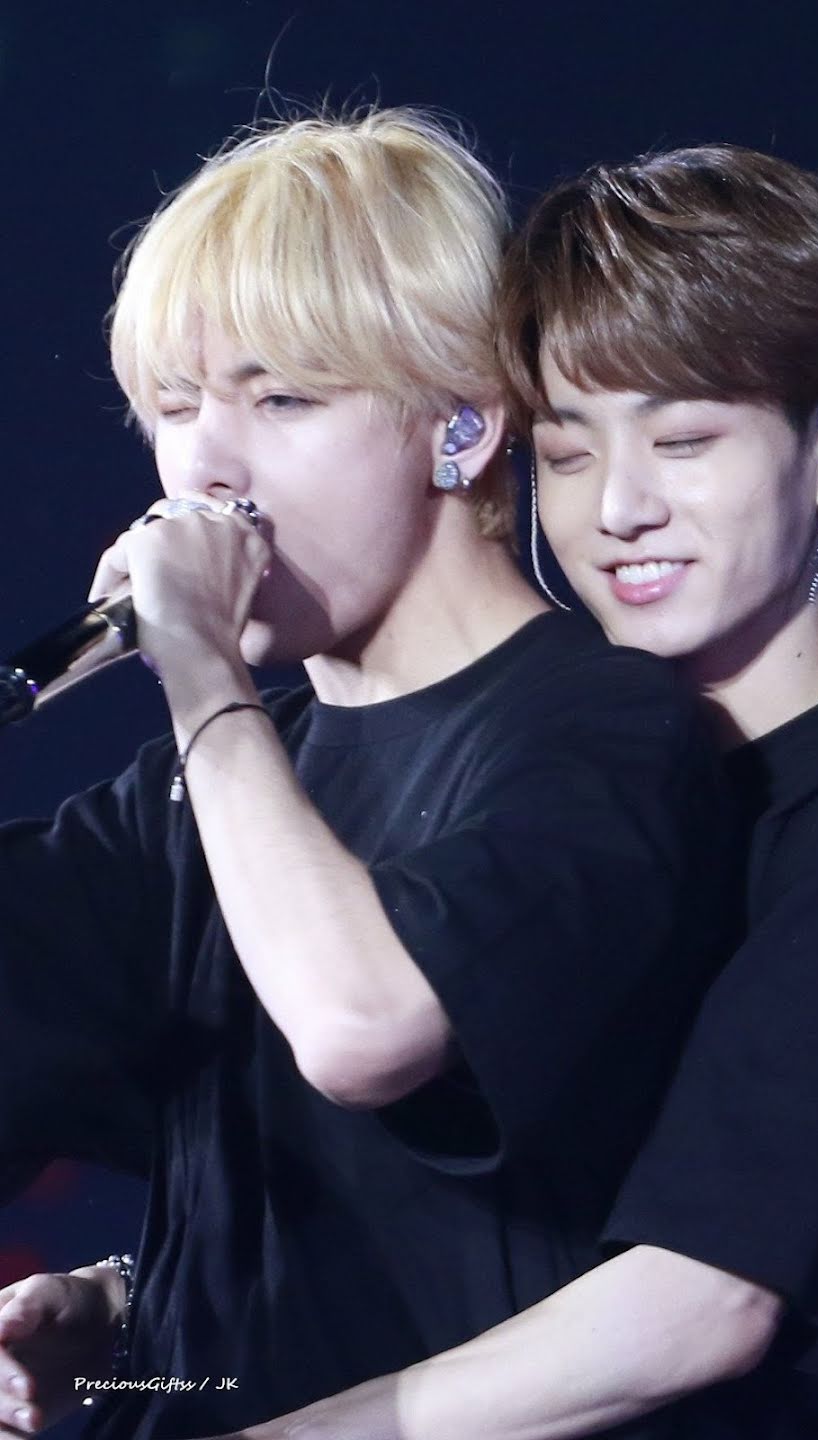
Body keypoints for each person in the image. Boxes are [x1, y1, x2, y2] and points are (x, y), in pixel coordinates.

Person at [174, 145, 818, 1438]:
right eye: (569, 452)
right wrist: (134, 1301)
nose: (620, 509)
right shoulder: (582, 771)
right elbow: (504, 1220)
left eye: (685, 441)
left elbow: (700, 1300)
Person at [0, 113, 734, 1438]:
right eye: (177, 408)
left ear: (460, 427)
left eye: (280, 399)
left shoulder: (605, 731)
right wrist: (123, 1311)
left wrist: (197, 673)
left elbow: (363, 1027)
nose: (204, 469)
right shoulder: (212, 780)